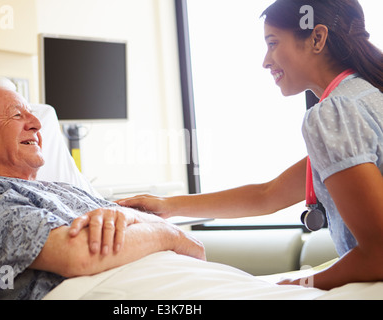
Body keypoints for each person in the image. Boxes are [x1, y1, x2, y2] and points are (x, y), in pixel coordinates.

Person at [118, 0, 383, 290]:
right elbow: (267, 195)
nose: (266, 60)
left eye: (273, 43)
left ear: (317, 38)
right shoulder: (365, 98)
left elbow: (378, 255)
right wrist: (167, 206)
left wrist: (295, 282)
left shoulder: (334, 113)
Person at [0, 77, 205, 300]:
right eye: (17, 114)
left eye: (32, 114)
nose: (37, 124)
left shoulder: (65, 189)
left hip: (189, 281)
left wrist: (154, 228)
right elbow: (80, 255)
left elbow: (194, 248)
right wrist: (166, 233)